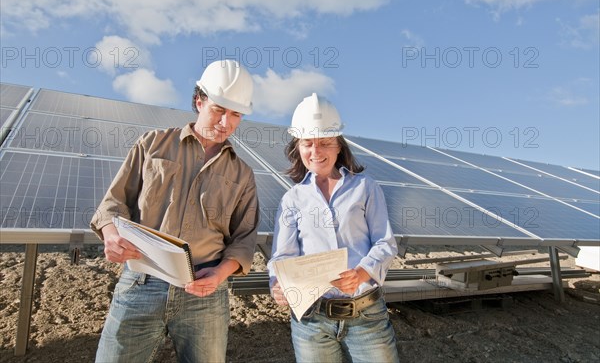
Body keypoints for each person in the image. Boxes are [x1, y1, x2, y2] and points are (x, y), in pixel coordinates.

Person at [90, 59, 260, 363]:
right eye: (219, 110)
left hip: (205, 292)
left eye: (236, 114)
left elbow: (244, 239)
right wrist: (110, 235)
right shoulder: (152, 145)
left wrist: (220, 274)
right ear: (199, 101)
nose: (226, 123)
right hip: (141, 282)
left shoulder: (242, 174)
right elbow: (112, 204)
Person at [268, 93, 400, 363]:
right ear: (298, 147)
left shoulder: (365, 187)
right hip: (311, 321)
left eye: (325, 143)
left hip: (366, 316)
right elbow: (282, 256)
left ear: (339, 146)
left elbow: (385, 243)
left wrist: (362, 273)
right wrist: (277, 284)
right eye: (308, 144)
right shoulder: (292, 198)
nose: (316, 152)